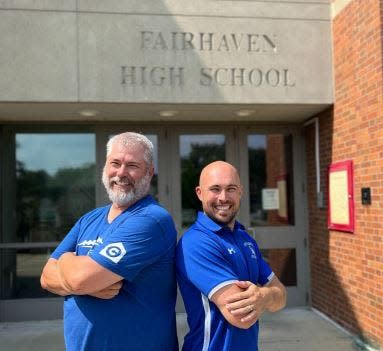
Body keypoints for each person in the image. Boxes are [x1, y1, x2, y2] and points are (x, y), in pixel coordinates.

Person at [40, 132, 178, 351]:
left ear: (150, 173)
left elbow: (79, 279)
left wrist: (66, 262)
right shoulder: (90, 219)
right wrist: (84, 284)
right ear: (105, 167)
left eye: (132, 165)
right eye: (115, 163)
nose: (121, 173)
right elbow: (46, 277)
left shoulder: (152, 220)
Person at [176, 161, 286, 351]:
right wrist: (266, 296)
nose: (223, 197)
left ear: (241, 192)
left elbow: (281, 297)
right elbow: (241, 317)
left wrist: (264, 296)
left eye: (231, 189)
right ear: (199, 193)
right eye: (215, 189)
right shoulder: (195, 243)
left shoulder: (245, 239)